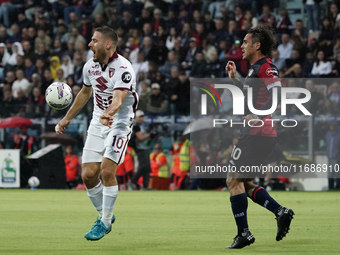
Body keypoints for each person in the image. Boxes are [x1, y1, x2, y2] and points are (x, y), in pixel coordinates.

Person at [55, 26, 137, 241]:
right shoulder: (89, 66)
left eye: (94, 40)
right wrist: (67, 118)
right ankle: (104, 214)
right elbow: (85, 92)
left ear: (107, 44)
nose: (90, 44)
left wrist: (109, 114)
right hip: (97, 121)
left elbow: (118, 99)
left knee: (107, 172)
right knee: (88, 175)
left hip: (119, 122)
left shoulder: (124, 68)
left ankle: (105, 222)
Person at [224, 27, 294, 249]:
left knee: (232, 180)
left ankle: (244, 233)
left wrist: (258, 114)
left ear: (257, 45)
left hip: (257, 132)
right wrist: (235, 80)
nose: (241, 46)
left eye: (245, 42)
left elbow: (278, 95)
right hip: (259, 133)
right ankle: (280, 212)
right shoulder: (254, 70)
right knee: (245, 184)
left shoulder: (266, 67)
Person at [130, 110, 157, 189]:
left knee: (147, 166)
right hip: (139, 148)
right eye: (139, 117)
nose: (141, 118)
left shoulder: (141, 125)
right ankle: (133, 181)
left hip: (143, 147)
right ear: (135, 117)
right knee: (143, 166)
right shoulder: (136, 126)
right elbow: (141, 138)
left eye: (142, 116)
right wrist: (150, 134)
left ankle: (146, 185)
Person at [325, 121, 340, 190]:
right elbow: (327, 145)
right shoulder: (328, 135)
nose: (332, 127)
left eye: (333, 126)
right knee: (330, 174)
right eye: (330, 126)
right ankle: (330, 188)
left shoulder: (339, 134)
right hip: (330, 158)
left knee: (337, 174)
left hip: (337, 158)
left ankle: (337, 188)